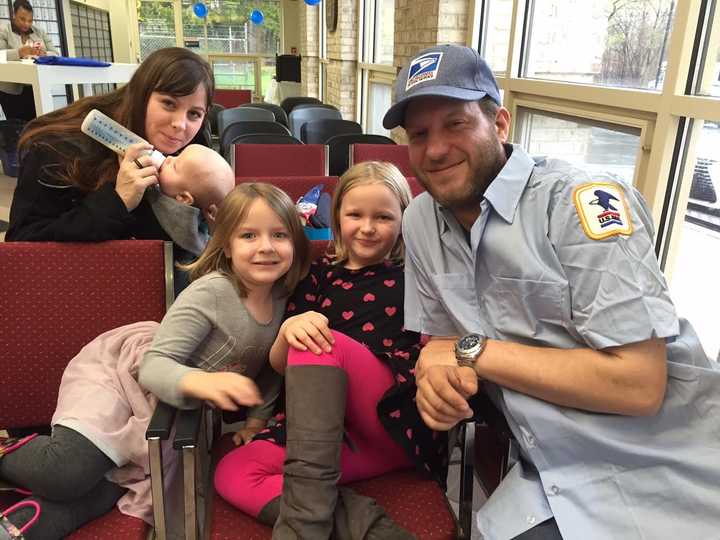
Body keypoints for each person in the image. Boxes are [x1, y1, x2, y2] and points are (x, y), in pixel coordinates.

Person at [383, 43, 720, 540]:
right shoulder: (419, 222)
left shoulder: (579, 205)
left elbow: (639, 384)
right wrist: (440, 386)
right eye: (419, 134)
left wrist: (467, 353)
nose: (434, 149)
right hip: (542, 470)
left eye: (455, 124)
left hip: (661, 464)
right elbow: (442, 344)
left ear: (500, 123)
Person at [0, 183, 311, 540]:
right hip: (124, 376)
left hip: (173, 407)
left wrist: (256, 420)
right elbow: (154, 366)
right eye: (249, 235)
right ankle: (14, 451)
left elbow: (271, 369)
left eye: (280, 235)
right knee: (68, 472)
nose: (266, 247)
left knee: (121, 485)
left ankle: (20, 525)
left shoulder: (283, 297)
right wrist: (202, 382)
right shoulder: (212, 291)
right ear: (226, 245)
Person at [213, 161, 446, 539]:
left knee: (319, 341)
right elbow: (279, 363)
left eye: (384, 217)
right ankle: (373, 531)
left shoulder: (417, 274)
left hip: (394, 419)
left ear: (405, 219)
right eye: (355, 214)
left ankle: (301, 531)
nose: (367, 227)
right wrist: (288, 330)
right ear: (338, 218)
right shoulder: (317, 273)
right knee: (234, 473)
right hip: (326, 438)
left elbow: (440, 346)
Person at [5, 47, 212, 264]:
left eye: (194, 114)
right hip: (87, 286)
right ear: (142, 94)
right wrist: (117, 201)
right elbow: (22, 249)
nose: (180, 124)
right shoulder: (59, 150)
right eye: (169, 103)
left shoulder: (191, 147)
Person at [0, 0, 59, 121]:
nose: (26, 24)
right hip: (11, 89)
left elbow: (56, 53)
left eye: (30, 20)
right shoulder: (3, 31)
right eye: (22, 19)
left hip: (36, 85)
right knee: (19, 126)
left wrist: (44, 54)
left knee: (39, 124)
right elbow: (0, 56)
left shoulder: (40, 32)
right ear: (14, 15)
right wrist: (19, 52)